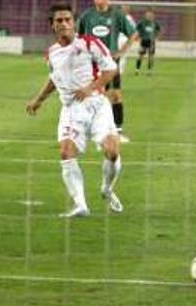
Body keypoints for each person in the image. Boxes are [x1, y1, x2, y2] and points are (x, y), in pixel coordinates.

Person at [26, 4, 124, 218]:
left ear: (73, 23)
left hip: (97, 104)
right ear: (52, 25)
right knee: (66, 152)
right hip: (71, 109)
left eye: (67, 20)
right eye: (58, 20)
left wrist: (90, 87)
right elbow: (54, 78)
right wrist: (38, 100)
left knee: (112, 150)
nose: (63, 24)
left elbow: (111, 69)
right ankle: (81, 205)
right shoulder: (52, 53)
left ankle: (107, 188)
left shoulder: (90, 43)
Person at [77, 0, 138, 143]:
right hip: (91, 62)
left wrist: (121, 51)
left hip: (110, 61)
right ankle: (88, 130)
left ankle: (117, 131)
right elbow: (78, 37)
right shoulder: (87, 15)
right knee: (90, 95)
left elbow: (133, 34)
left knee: (115, 95)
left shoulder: (117, 14)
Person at [135, 9, 162, 76]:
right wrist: (138, 37)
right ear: (145, 15)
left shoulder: (155, 23)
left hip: (151, 42)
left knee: (151, 57)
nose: (149, 16)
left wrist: (157, 37)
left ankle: (149, 71)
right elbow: (136, 30)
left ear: (153, 16)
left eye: (151, 15)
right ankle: (137, 70)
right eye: (148, 15)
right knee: (140, 56)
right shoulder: (142, 22)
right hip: (143, 41)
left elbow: (159, 30)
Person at [117, 5, 136, 75]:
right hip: (117, 38)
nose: (124, 10)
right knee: (115, 54)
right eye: (123, 9)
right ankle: (114, 69)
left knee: (123, 55)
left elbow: (133, 29)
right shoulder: (117, 17)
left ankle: (120, 71)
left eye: (126, 9)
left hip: (125, 39)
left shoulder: (130, 18)